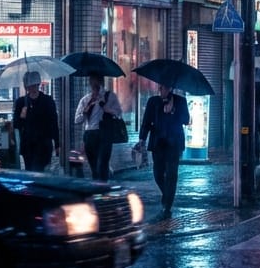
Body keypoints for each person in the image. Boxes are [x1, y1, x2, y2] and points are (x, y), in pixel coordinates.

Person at [136, 82, 190, 215]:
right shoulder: (153, 101)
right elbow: (146, 121)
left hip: (174, 143)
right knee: (158, 173)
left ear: (170, 88)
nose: (161, 89)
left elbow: (186, 120)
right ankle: (166, 194)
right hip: (158, 142)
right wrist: (142, 139)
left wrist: (173, 111)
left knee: (171, 174)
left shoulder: (180, 101)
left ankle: (168, 203)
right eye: (160, 87)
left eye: (164, 87)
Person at [73, 73, 123, 181]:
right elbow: (77, 120)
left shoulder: (110, 96)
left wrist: (107, 108)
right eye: (92, 84)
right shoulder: (85, 100)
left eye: (97, 84)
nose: (94, 87)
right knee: (94, 168)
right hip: (90, 134)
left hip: (104, 134)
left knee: (102, 165)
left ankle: (103, 188)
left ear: (101, 83)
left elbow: (119, 113)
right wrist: (84, 112)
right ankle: (98, 191)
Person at [12, 71, 59, 172]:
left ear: (38, 84)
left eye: (34, 85)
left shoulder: (48, 101)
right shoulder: (21, 102)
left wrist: (57, 143)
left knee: (39, 171)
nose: (32, 88)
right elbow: (16, 124)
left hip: (44, 144)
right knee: (30, 171)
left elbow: (54, 122)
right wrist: (21, 116)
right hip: (28, 145)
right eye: (29, 86)